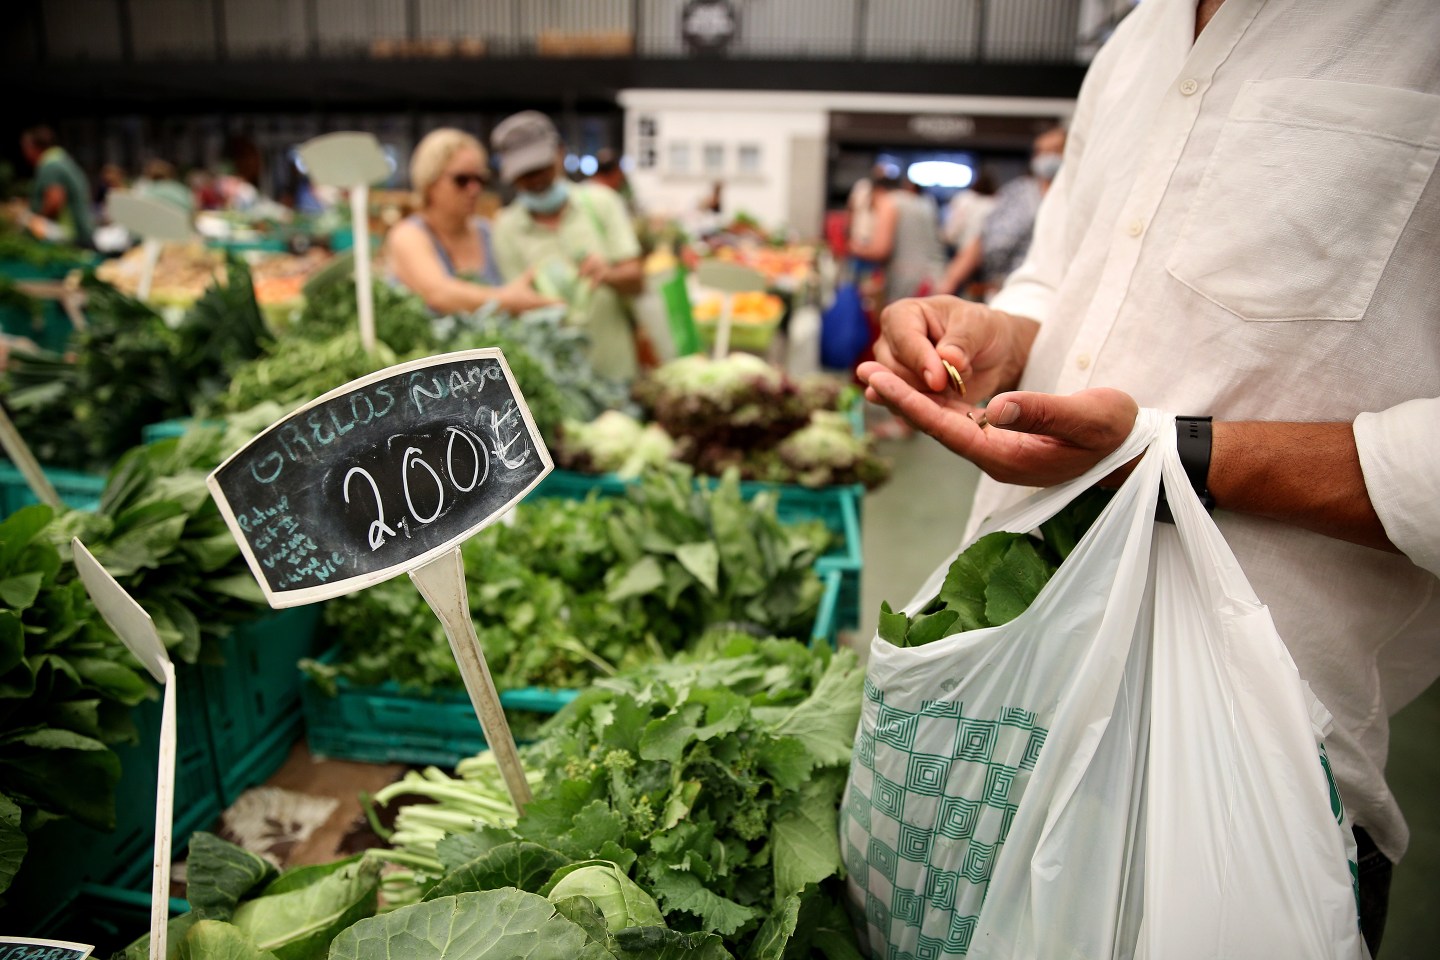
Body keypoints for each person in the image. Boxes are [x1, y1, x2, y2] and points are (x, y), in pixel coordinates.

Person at [858, 1, 1439, 954]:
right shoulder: (1135, 42)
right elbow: (1059, 271)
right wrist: (1003, 333)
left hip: (1254, 771)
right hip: (1006, 697)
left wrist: (1178, 458)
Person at [490, 111, 645, 381]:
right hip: (556, 380)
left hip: (617, 372)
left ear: (559, 154)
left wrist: (607, 274)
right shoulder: (505, 227)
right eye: (524, 173)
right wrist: (543, 304)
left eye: (541, 168)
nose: (535, 179)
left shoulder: (601, 203)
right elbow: (515, 303)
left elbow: (637, 280)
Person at [386, 128, 556, 317]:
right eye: (462, 180)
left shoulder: (489, 232)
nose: (474, 189)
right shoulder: (409, 235)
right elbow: (439, 294)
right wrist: (508, 300)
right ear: (430, 182)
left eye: (480, 179)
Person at [938, 126, 1065, 298]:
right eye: (1041, 151)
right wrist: (950, 281)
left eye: (1055, 150)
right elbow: (982, 239)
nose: (1046, 157)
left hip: (1053, 292)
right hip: (1003, 290)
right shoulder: (1018, 192)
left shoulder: (1076, 196)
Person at [848, 173, 944, 307]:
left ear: (878, 191)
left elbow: (880, 250)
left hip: (908, 284)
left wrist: (854, 248)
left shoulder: (888, 201)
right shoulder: (923, 202)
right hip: (937, 281)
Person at [20, 125, 94, 247]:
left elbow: (54, 201)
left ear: (33, 147)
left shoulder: (50, 165)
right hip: (80, 232)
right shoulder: (61, 159)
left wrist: (36, 221)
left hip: (70, 237)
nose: (24, 152)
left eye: (25, 147)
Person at [942, 169, 997, 254]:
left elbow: (955, 225)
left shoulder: (964, 199)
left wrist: (946, 238)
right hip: (987, 252)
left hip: (964, 249)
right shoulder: (995, 203)